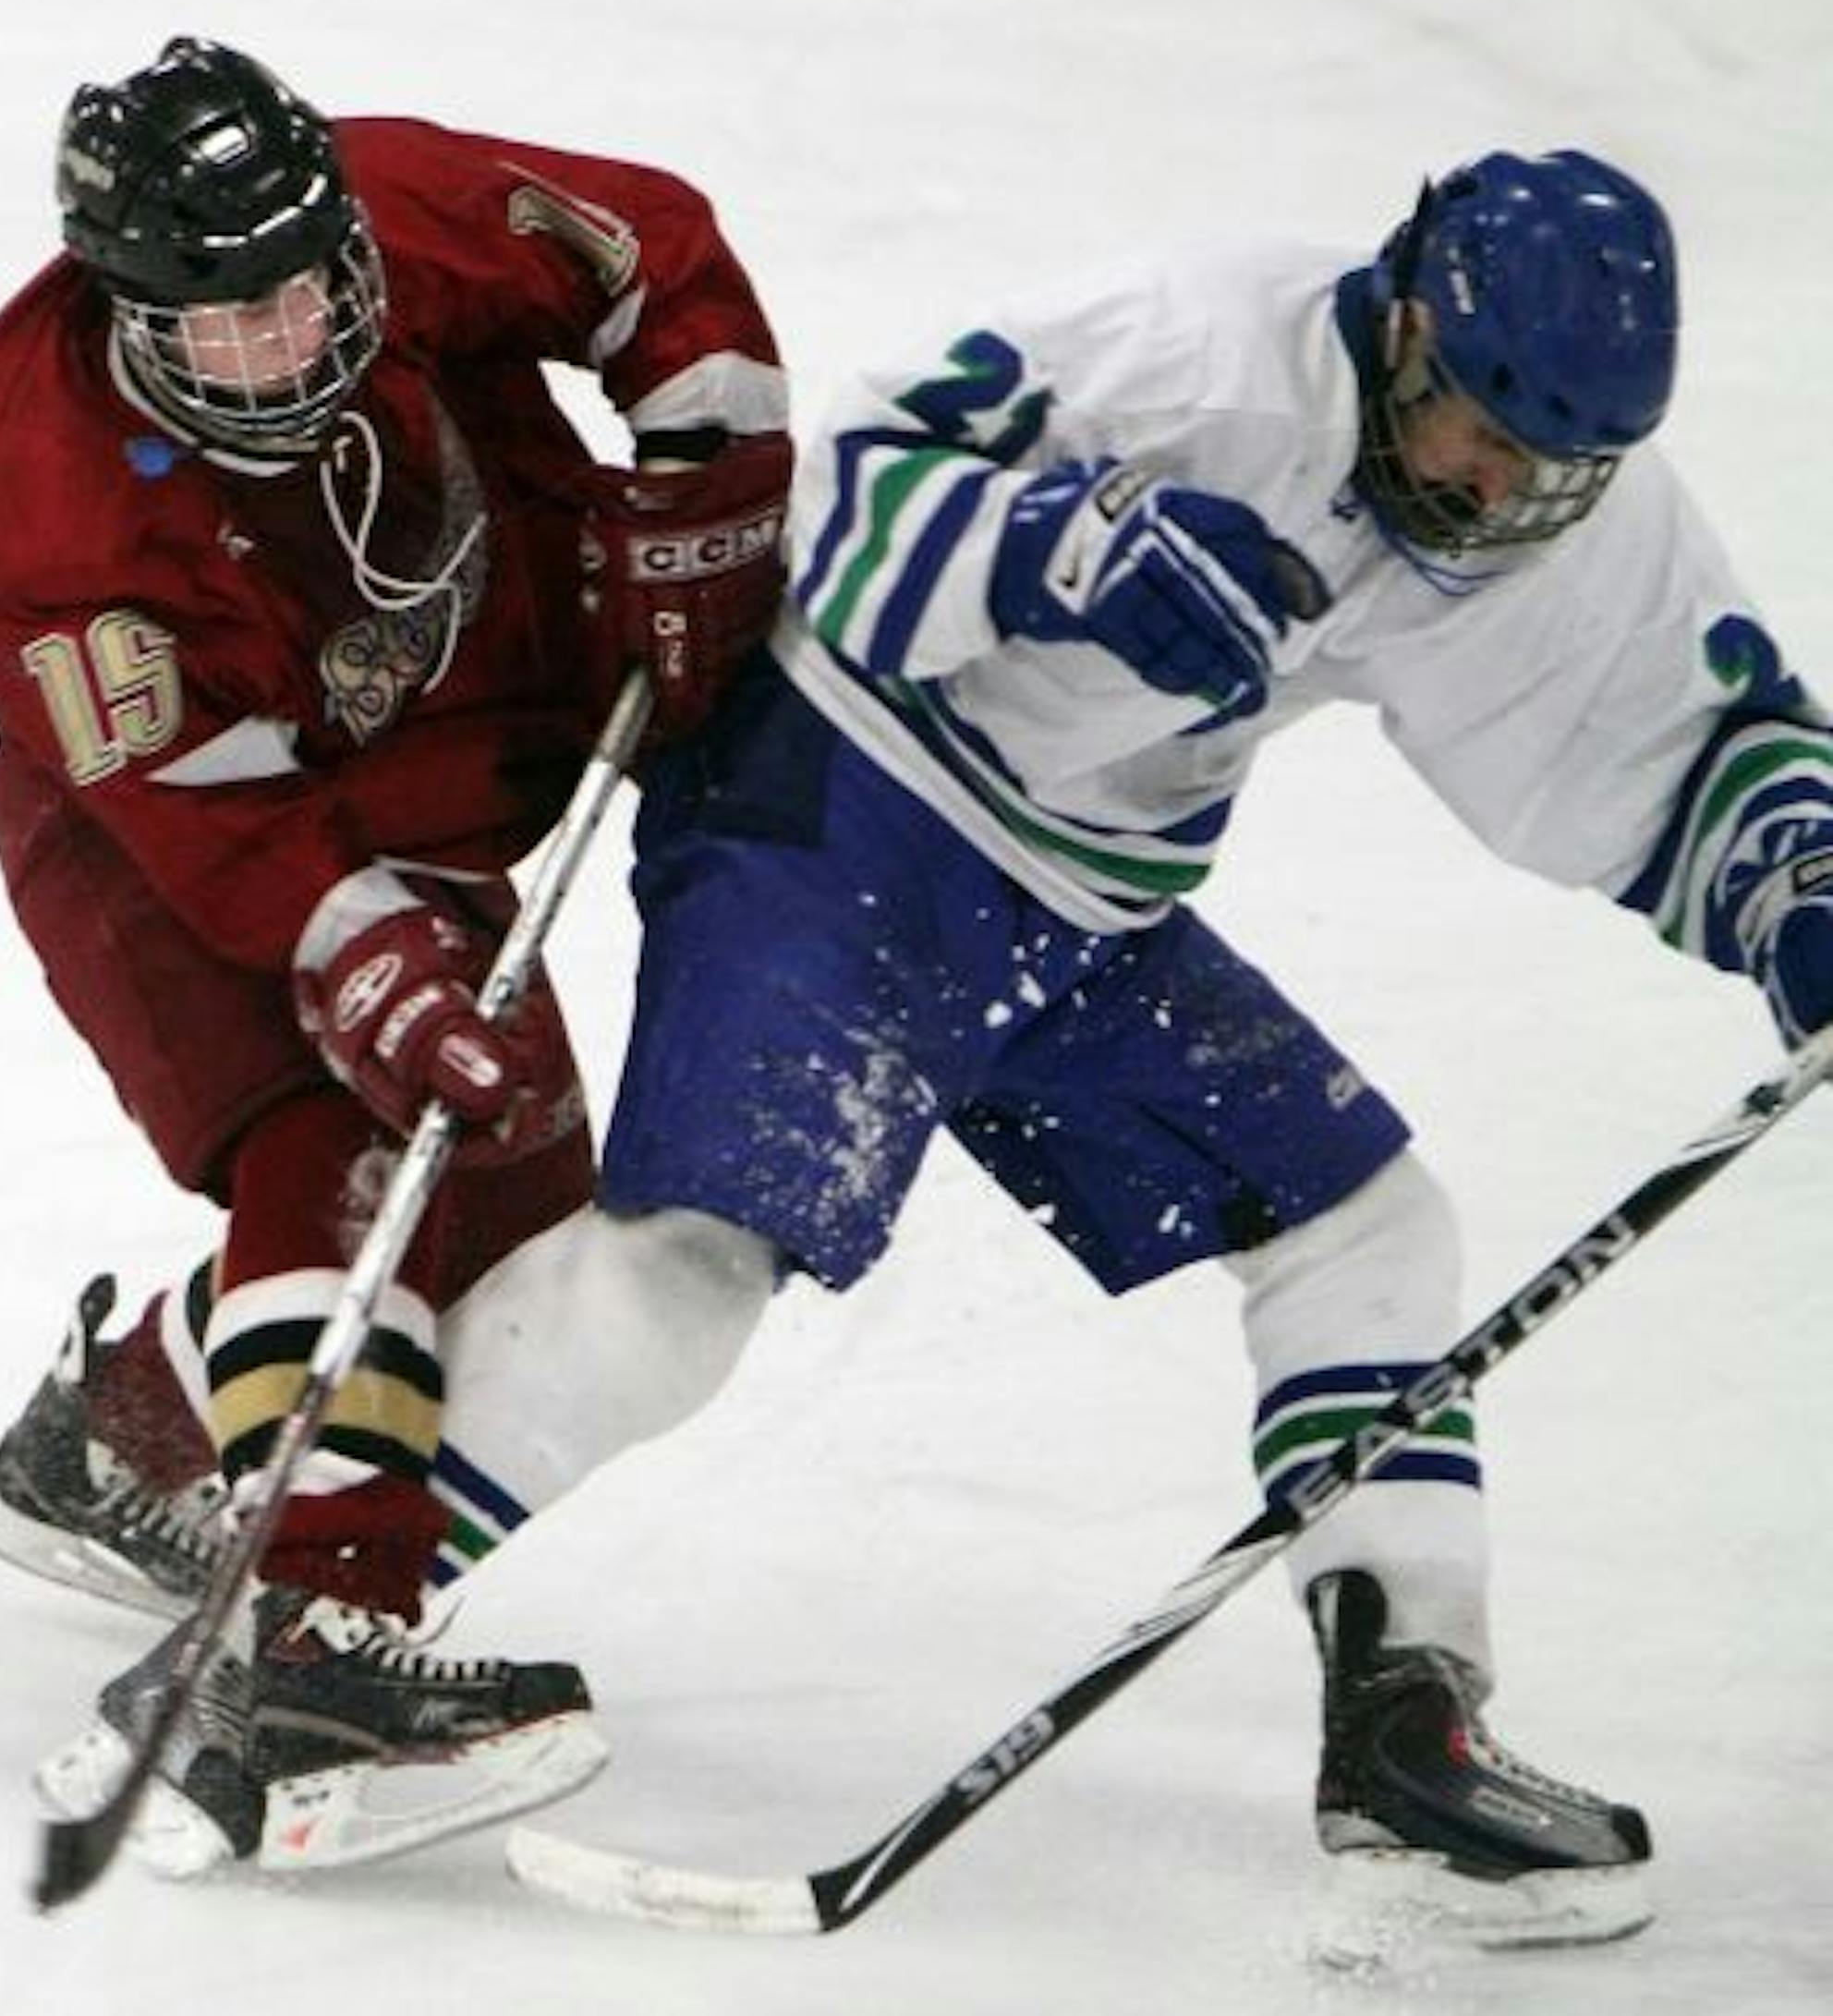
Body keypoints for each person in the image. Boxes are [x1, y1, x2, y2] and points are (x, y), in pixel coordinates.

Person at [419, 148, 1833, 1945]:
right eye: (1477, 426)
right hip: (839, 784)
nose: (1499, 488)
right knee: (695, 1267)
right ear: (1407, 320)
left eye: (1555, 466)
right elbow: (839, 501)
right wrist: (1057, 551)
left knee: (1367, 1224)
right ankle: (318, 1615)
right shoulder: (1201, 346)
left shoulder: (1557, 515)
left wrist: (1799, 885)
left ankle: (1408, 1719)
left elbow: (1686, 748)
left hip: (1077, 902)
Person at [0, 36, 790, 1875]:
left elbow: (651, 251)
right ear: (123, 305)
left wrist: (712, 476)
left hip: (439, 771)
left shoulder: (409, 201)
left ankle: (125, 1431)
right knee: (347, 1124)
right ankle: (309, 1640)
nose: (282, 353)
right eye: (221, 331)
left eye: (306, 300)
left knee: (518, 1192)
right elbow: (219, 822)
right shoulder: (23, 502)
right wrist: (364, 961)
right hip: (158, 829)